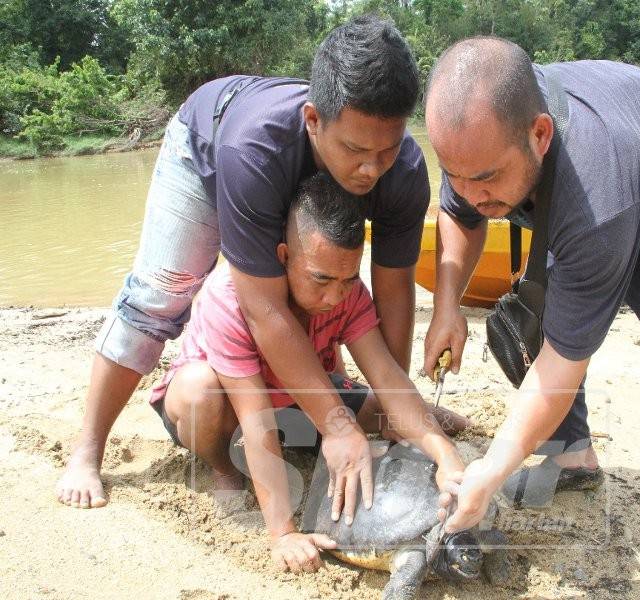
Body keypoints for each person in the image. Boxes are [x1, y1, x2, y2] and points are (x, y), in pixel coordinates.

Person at [56, 15, 430, 525]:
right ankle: (88, 449)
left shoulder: (402, 171)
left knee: (324, 292)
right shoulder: (253, 150)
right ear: (314, 119)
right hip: (209, 152)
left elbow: (392, 292)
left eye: (386, 149)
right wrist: (339, 426)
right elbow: (263, 310)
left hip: (294, 183)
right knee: (159, 297)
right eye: (356, 150)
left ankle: (312, 412)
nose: (371, 168)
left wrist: (393, 404)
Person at [423, 38, 640, 599]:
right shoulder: (483, 144)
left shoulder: (596, 198)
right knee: (539, 314)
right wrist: (449, 304)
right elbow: (460, 210)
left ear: (540, 134)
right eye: (454, 174)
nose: (473, 195)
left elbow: (563, 363)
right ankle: (575, 456)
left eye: (488, 179)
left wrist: (491, 472)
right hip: (599, 178)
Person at [150, 173, 467, 573]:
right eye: (321, 279)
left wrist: (445, 455)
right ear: (284, 257)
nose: (334, 296)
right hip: (232, 407)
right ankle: (223, 468)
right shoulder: (229, 297)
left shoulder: (347, 292)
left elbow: (387, 375)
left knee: (383, 408)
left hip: (302, 399)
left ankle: (433, 429)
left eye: (348, 279)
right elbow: (255, 417)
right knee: (200, 393)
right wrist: (282, 532)